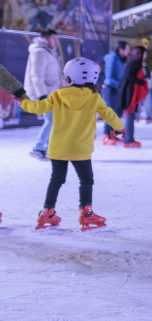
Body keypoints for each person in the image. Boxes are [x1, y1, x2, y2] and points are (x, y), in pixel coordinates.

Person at [17, 57, 123, 231]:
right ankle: (86, 213)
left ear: (68, 77)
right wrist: (119, 128)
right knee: (86, 180)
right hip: (80, 149)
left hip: (58, 147)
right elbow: (108, 114)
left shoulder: (58, 95)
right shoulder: (94, 97)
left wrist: (24, 104)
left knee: (56, 179)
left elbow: (39, 108)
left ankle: (47, 212)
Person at [25, 29, 65, 161]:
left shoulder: (48, 52)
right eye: (54, 38)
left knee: (53, 120)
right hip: (44, 94)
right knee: (51, 120)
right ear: (46, 38)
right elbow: (36, 76)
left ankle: (46, 147)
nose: (56, 41)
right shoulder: (39, 52)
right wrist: (42, 97)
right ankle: (38, 147)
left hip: (50, 93)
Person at [119, 46, 149, 147]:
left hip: (130, 91)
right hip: (130, 92)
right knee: (129, 115)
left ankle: (129, 139)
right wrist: (142, 82)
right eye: (144, 53)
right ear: (139, 54)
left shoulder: (134, 63)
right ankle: (128, 140)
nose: (146, 56)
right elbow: (129, 76)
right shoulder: (134, 63)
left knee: (130, 116)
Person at [101, 40, 129, 140]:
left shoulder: (120, 60)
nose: (128, 52)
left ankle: (112, 133)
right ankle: (106, 135)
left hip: (116, 88)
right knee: (110, 112)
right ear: (120, 49)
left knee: (118, 112)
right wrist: (119, 85)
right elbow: (109, 77)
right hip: (110, 88)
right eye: (127, 49)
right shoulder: (112, 59)